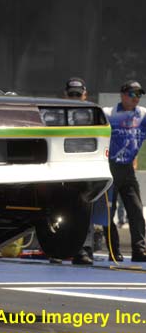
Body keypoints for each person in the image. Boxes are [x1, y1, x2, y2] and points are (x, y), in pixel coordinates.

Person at [102, 80, 146, 262]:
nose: (136, 98)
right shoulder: (108, 113)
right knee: (108, 213)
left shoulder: (143, 114)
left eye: (139, 94)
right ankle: (114, 250)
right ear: (122, 95)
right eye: (132, 94)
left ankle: (139, 250)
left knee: (136, 210)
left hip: (128, 170)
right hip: (109, 169)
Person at [61, 77, 96, 265]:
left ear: (85, 95)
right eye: (71, 94)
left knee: (84, 208)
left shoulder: (93, 114)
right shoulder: (55, 114)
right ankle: (57, 249)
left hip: (83, 168)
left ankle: (84, 249)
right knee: (57, 208)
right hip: (61, 169)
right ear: (65, 95)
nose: (74, 97)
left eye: (78, 94)